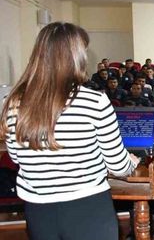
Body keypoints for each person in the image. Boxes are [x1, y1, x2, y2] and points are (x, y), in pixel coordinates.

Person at [0, 22, 139, 240]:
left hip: (39, 211)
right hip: (88, 208)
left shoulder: (15, 102)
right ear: (75, 57)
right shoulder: (94, 101)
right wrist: (132, 162)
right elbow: (118, 166)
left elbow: (17, 157)